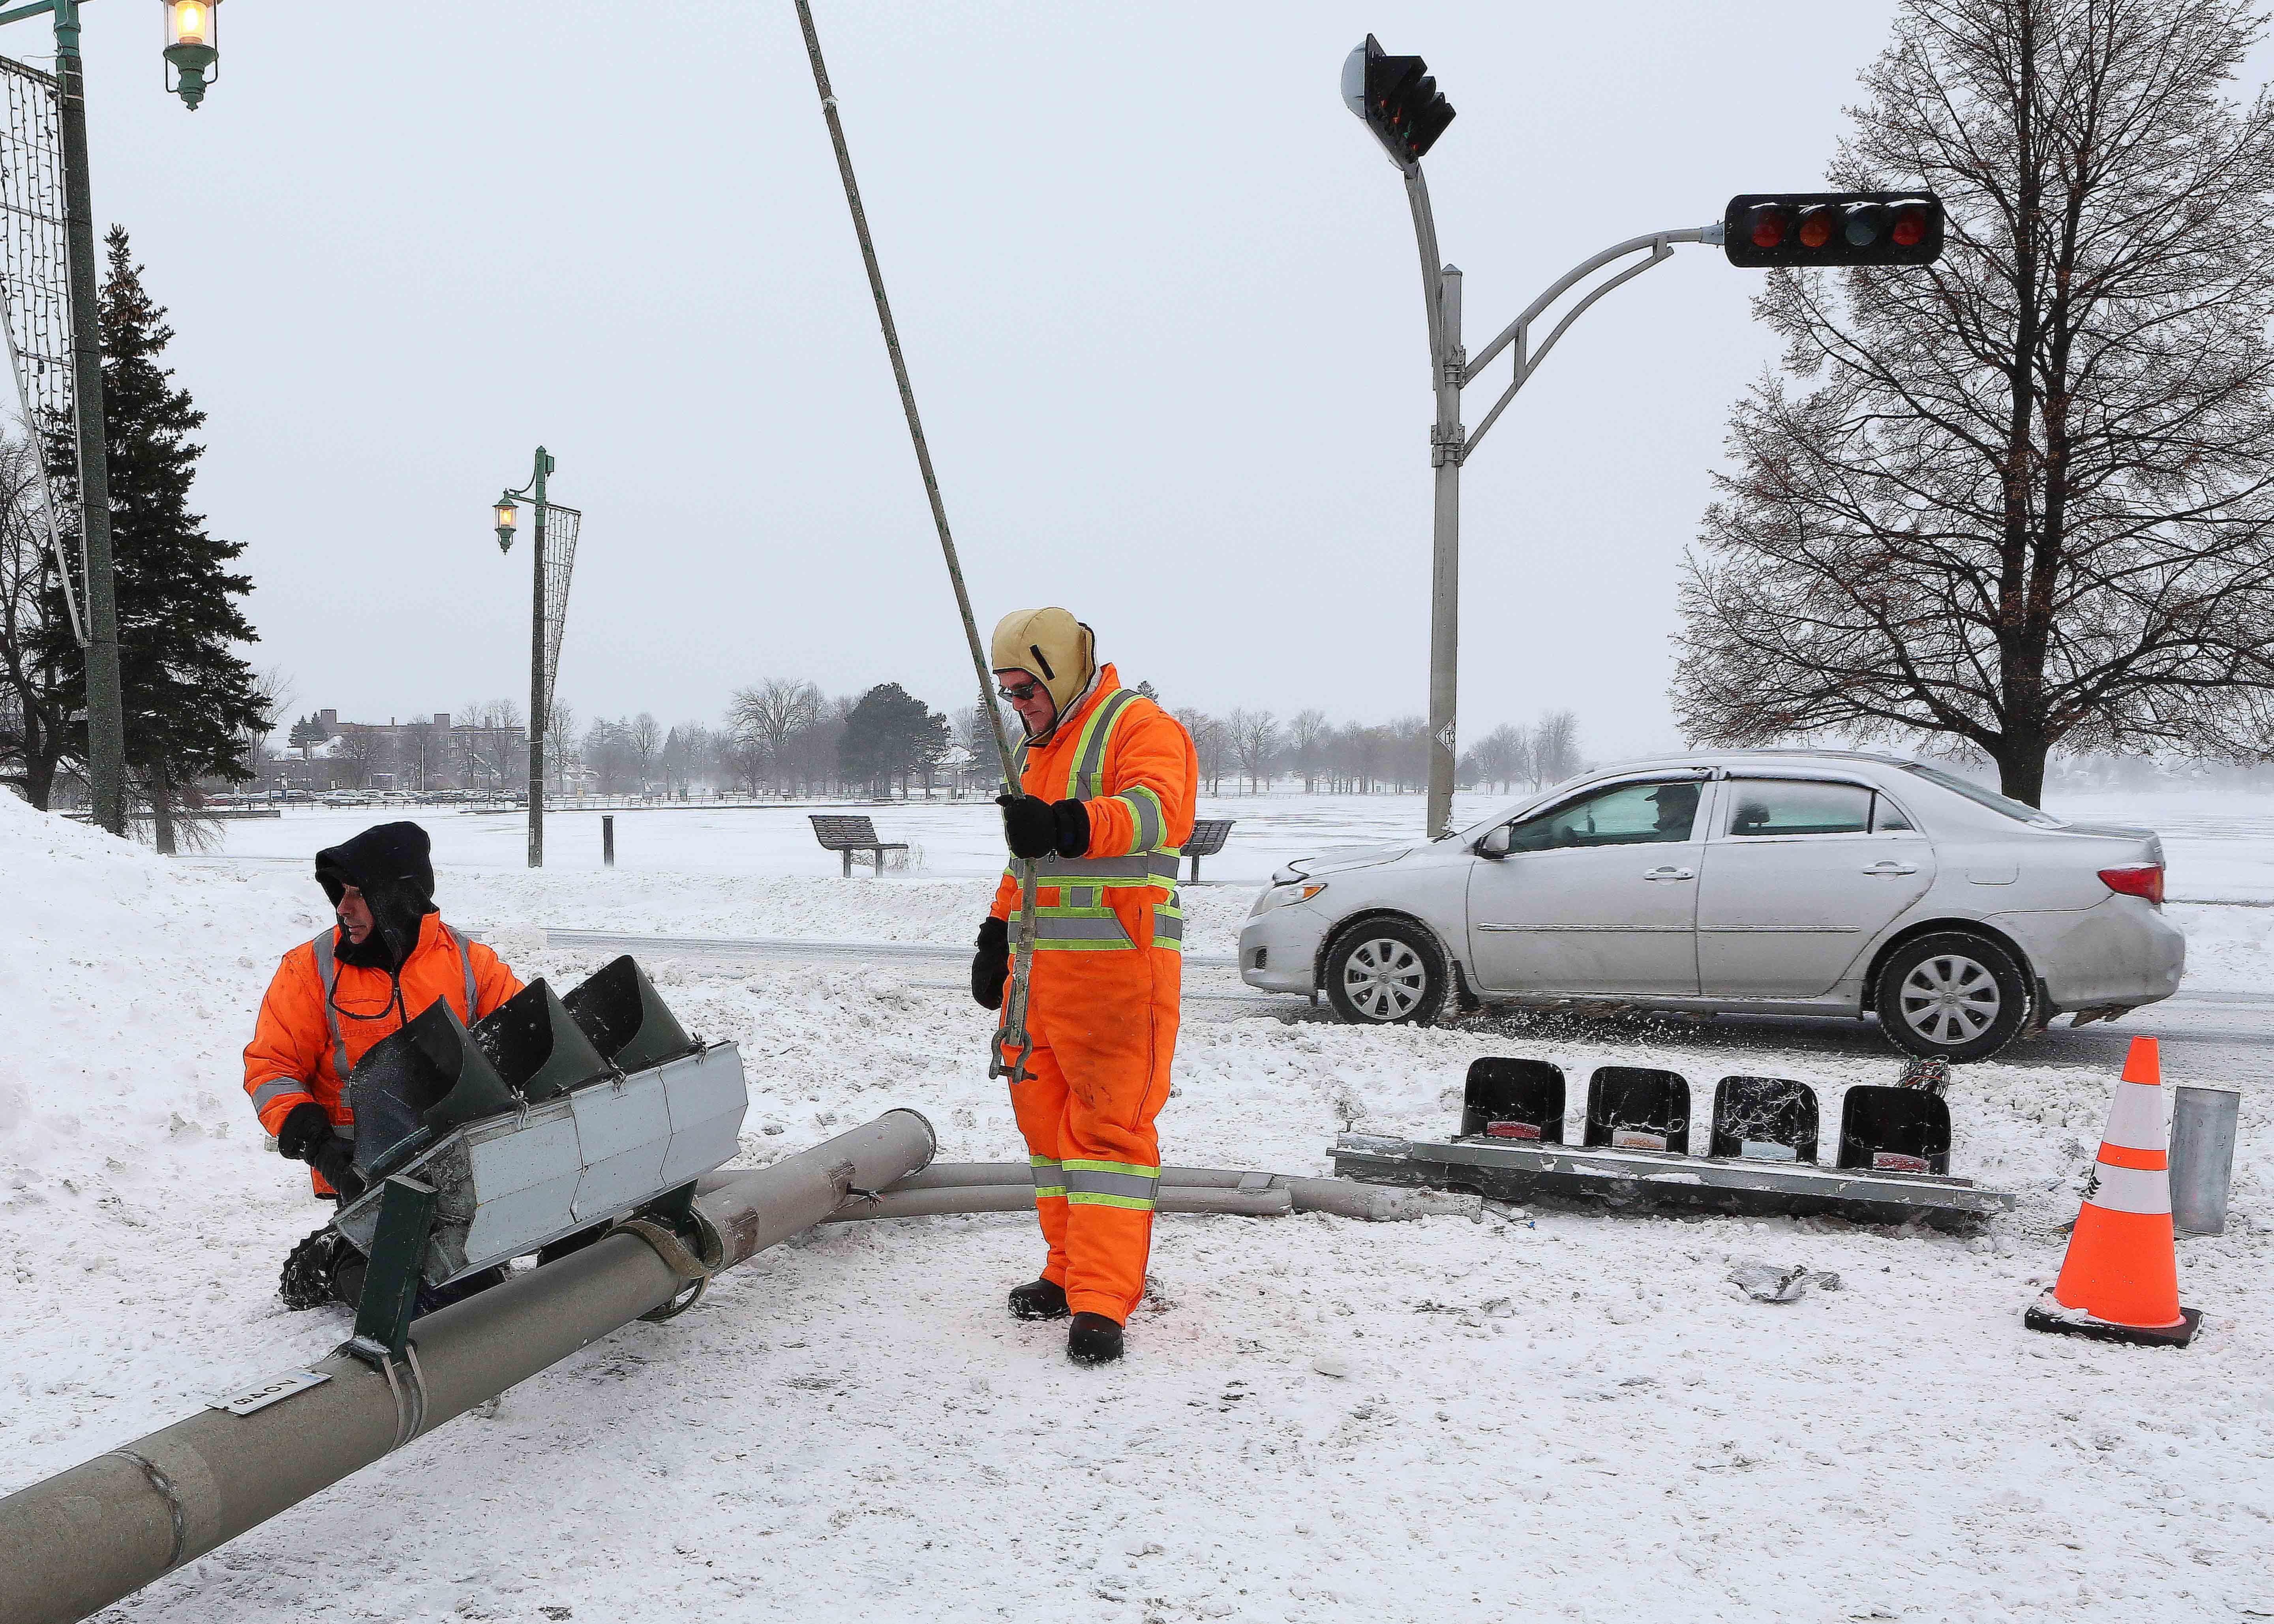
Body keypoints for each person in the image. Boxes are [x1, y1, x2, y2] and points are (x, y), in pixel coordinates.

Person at [970, 608, 1197, 1365]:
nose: (1019, 704)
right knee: (1047, 1138)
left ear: (1060, 669)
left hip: (1118, 982)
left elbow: (1158, 811)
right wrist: (997, 935)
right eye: (1006, 693)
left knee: (1108, 1141)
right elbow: (1026, 862)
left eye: (1026, 687)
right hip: (1039, 988)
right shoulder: (1038, 752)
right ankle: (1065, 1272)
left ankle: (1103, 1300)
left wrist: (1067, 824)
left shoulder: (1140, 725)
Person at [244, 821, 523, 1307]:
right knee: (405, 1294)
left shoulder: (467, 961)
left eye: (358, 892)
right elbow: (272, 1067)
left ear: (400, 896)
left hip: (458, 1158)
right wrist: (320, 1146)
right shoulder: (310, 968)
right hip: (364, 1168)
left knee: (476, 1288)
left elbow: (523, 1040)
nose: (342, 907)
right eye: (340, 893)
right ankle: (338, 1257)